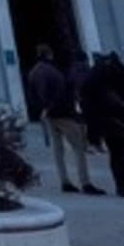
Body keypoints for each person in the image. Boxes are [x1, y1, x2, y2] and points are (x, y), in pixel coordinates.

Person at [26, 44, 100, 196]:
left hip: (49, 116)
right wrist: (52, 106)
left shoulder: (33, 72)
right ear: (49, 54)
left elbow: (32, 95)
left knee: (57, 150)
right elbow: (60, 92)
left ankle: (64, 181)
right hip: (63, 114)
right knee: (79, 148)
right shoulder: (52, 72)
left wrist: (43, 110)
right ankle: (85, 182)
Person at [84, 52, 124, 199]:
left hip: (103, 120)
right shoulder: (118, 75)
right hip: (116, 118)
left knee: (115, 154)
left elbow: (86, 101)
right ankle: (122, 186)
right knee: (118, 154)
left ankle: (121, 185)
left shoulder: (92, 77)